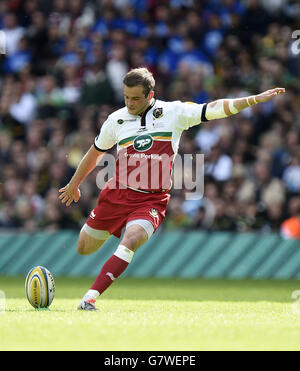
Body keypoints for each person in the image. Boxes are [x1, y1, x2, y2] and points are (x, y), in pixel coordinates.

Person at [58, 67, 285, 310]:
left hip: (151, 201)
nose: (130, 103)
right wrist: (74, 184)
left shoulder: (173, 112)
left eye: (135, 98)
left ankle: (89, 298)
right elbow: (95, 154)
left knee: (131, 240)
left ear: (150, 94)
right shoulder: (116, 119)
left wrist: (253, 99)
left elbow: (215, 108)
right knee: (84, 248)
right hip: (117, 194)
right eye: (126, 97)